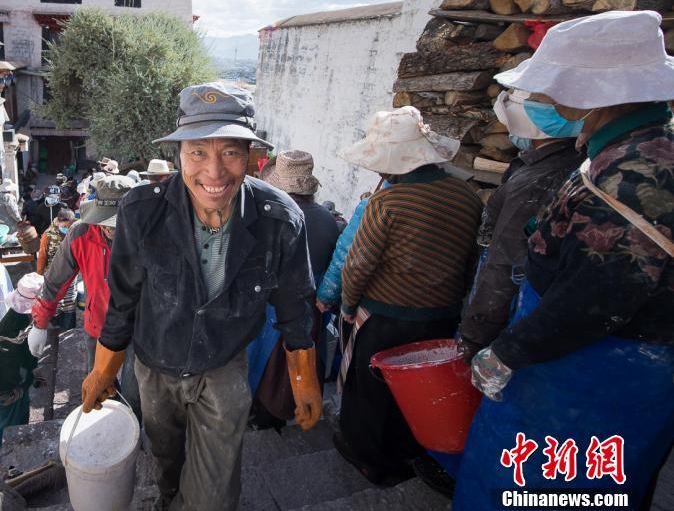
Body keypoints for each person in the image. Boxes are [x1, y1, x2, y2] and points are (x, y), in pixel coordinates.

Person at [456, 11, 674, 511]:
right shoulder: (626, 145)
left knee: (551, 496)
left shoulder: (637, 174)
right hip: (591, 357)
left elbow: (602, 292)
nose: (544, 96)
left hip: (597, 371)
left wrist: (509, 350)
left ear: (591, 93)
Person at [83, 82, 323, 511]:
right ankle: (168, 501)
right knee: (166, 460)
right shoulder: (141, 211)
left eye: (230, 152)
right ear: (179, 155)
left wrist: (304, 380)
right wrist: (103, 370)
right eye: (197, 152)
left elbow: (295, 305)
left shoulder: (280, 219)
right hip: (155, 366)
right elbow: (123, 300)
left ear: (251, 156)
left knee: (212, 503)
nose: (214, 172)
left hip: (223, 366)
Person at [334, 106, 482, 484]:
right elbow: (470, 260)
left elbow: (358, 264)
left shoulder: (387, 202)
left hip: (386, 318)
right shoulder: (466, 195)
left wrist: (348, 305)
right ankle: (408, 454)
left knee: (371, 391)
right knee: (417, 389)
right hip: (443, 315)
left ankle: (370, 460)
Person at [457, 89, 585, 360]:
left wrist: (474, 335)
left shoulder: (534, 182)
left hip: (518, 309)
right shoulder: (575, 162)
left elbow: (504, 261)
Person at [251, 150, 339, 422]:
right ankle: (296, 407)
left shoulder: (274, 219)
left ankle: (264, 413)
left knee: (266, 368)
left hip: (275, 311)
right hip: (310, 311)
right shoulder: (328, 219)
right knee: (301, 363)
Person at [28, 176, 136, 371]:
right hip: (98, 326)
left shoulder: (147, 232)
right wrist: (40, 322)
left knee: (133, 387)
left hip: (138, 331)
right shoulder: (80, 234)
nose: (109, 227)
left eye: (115, 221)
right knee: (96, 384)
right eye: (104, 219)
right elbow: (55, 280)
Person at [0, 273, 42, 461]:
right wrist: (28, 380)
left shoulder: (13, 319)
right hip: (2, 391)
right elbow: (19, 368)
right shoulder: (18, 333)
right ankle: (5, 461)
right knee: (7, 435)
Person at [36, 208, 78, 330]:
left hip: (70, 274)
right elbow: (42, 256)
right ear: (58, 222)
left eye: (69, 226)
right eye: (64, 226)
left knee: (70, 299)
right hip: (53, 274)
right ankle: (55, 324)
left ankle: (68, 325)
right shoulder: (48, 235)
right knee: (55, 299)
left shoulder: (75, 231)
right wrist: (40, 275)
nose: (67, 228)